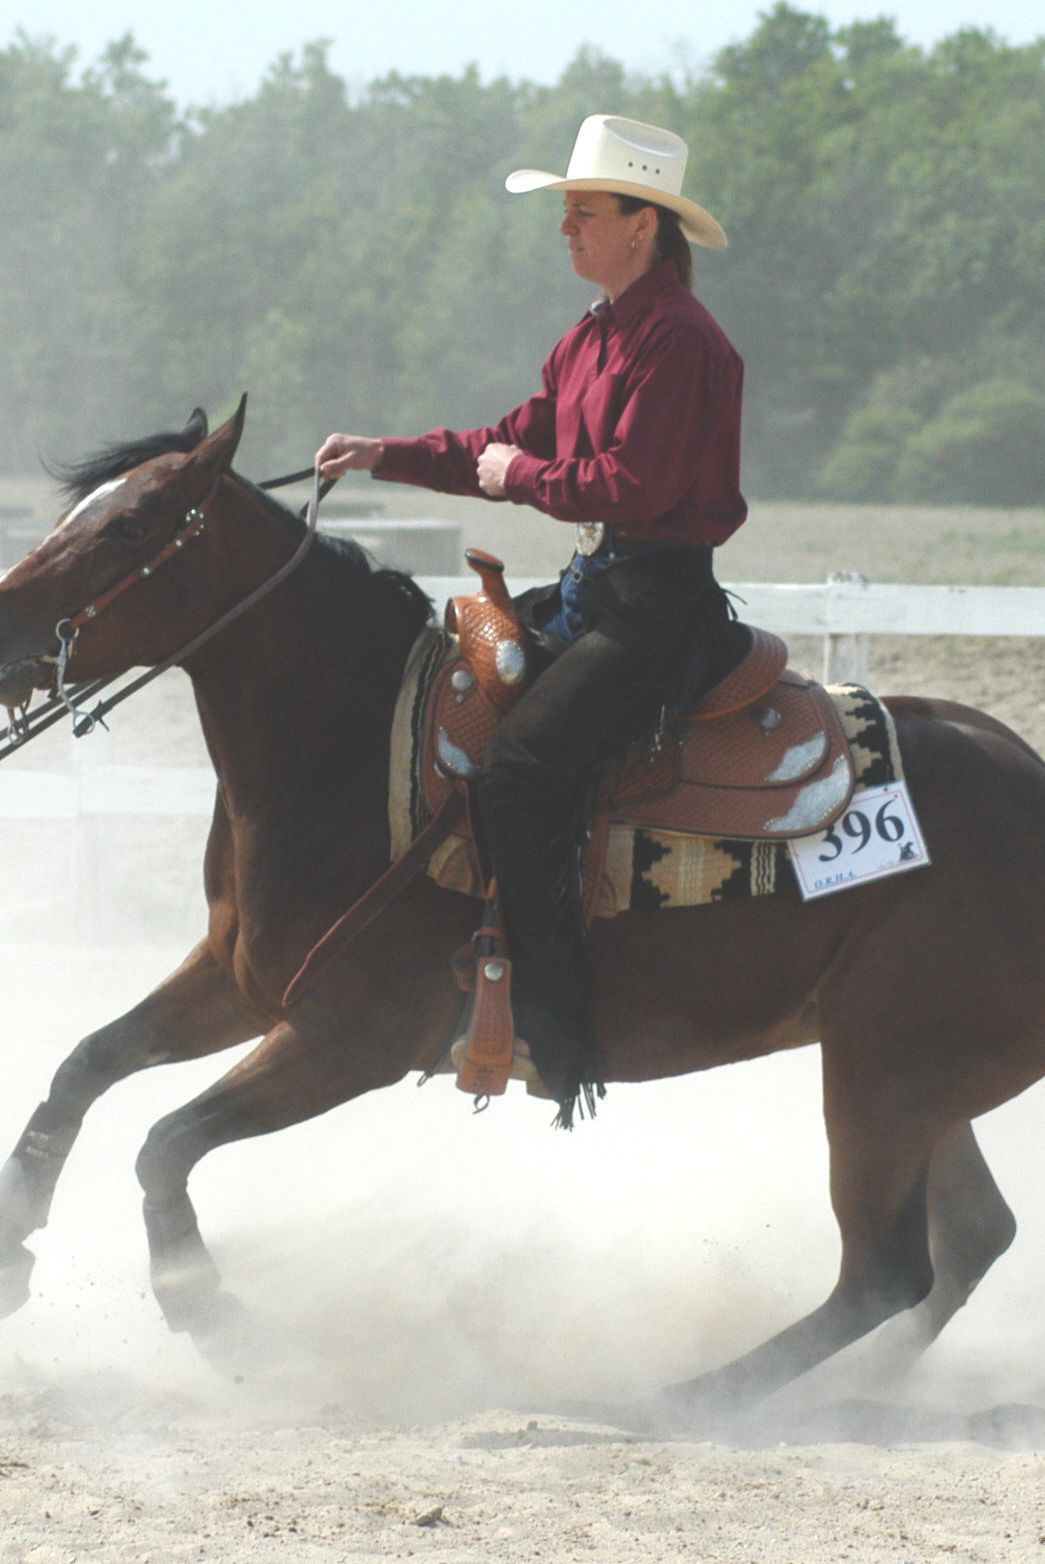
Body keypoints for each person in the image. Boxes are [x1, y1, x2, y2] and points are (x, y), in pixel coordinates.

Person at [315, 114, 746, 1123]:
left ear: (641, 225)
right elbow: (502, 441)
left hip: (658, 608)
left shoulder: (681, 341)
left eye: (583, 211)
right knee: (447, 686)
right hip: (602, 587)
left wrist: (523, 479)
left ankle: (556, 1024)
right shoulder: (594, 336)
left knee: (518, 772)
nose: (565, 228)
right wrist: (386, 454)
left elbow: (628, 486)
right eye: (566, 211)